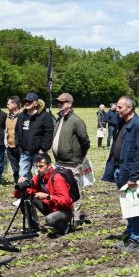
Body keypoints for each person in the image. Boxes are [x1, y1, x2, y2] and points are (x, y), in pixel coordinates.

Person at [103, 96, 139, 252]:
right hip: (121, 170)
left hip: (131, 173)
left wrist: (134, 177)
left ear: (130, 108)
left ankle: (135, 240)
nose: (116, 109)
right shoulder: (123, 123)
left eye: (120, 107)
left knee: (134, 207)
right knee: (127, 206)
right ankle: (131, 233)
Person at [51, 92, 90, 222]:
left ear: (69, 104)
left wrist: (78, 155)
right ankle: (65, 215)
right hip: (60, 162)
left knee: (74, 191)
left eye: (62, 102)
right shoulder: (59, 119)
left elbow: (85, 141)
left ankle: (75, 218)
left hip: (72, 163)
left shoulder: (77, 121)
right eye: (58, 102)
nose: (59, 104)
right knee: (62, 191)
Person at [16, 153, 74, 235]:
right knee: (26, 199)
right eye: (37, 167)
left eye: (41, 166)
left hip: (64, 211)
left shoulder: (57, 178)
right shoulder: (39, 177)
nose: (38, 169)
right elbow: (20, 195)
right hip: (50, 207)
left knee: (49, 219)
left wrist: (48, 197)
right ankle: (34, 227)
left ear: (49, 165)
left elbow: (66, 201)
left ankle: (64, 227)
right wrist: (21, 186)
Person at [17, 92, 53, 180]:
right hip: (24, 152)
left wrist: (43, 149)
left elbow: (49, 133)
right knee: (23, 176)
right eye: (26, 101)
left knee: (41, 176)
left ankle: (40, 192)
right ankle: (27, 192)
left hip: (39, 152)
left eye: (30, 101)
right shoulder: (22, 116)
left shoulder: (45, 116)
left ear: (36, 103)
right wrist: (19, 146)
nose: (27, 103)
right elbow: (17, 132)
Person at [4, 96, 22, 184]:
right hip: (10, 146)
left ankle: (25, 187)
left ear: (15, 104)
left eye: (8, 104)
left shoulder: (23, 115)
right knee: (15, 169)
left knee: (23, 168)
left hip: (20, 146)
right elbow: (6, 130)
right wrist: (6, 144)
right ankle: (17, 186)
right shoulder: (8, 116)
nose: (7, 105)